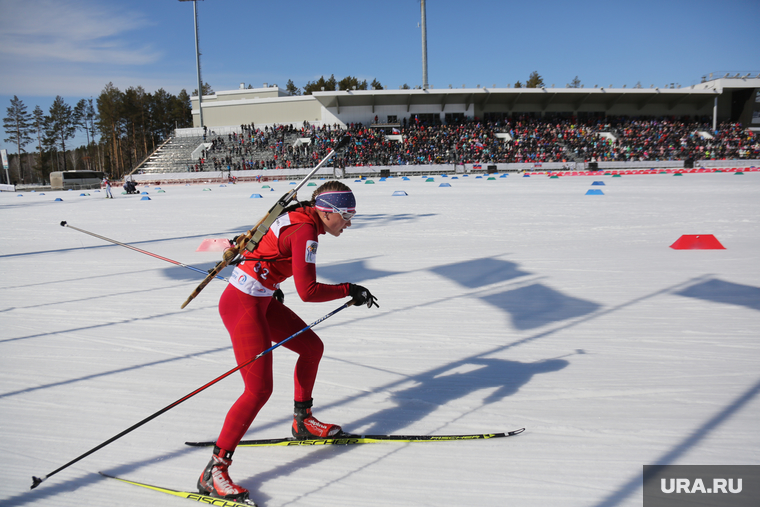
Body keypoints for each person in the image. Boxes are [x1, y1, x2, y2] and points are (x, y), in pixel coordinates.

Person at [198, 180, 378, 504]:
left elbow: (263, 244)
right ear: (327, 212)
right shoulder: (305, 231)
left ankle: (303, 421)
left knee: (312, 348)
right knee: (258, 390)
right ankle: (214, 470)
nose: (349, 222)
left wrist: (268, 273)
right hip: (243, 304)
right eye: (347, 215)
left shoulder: (299, 214)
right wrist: (349, 289)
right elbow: (308, 292)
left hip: (261, 299)